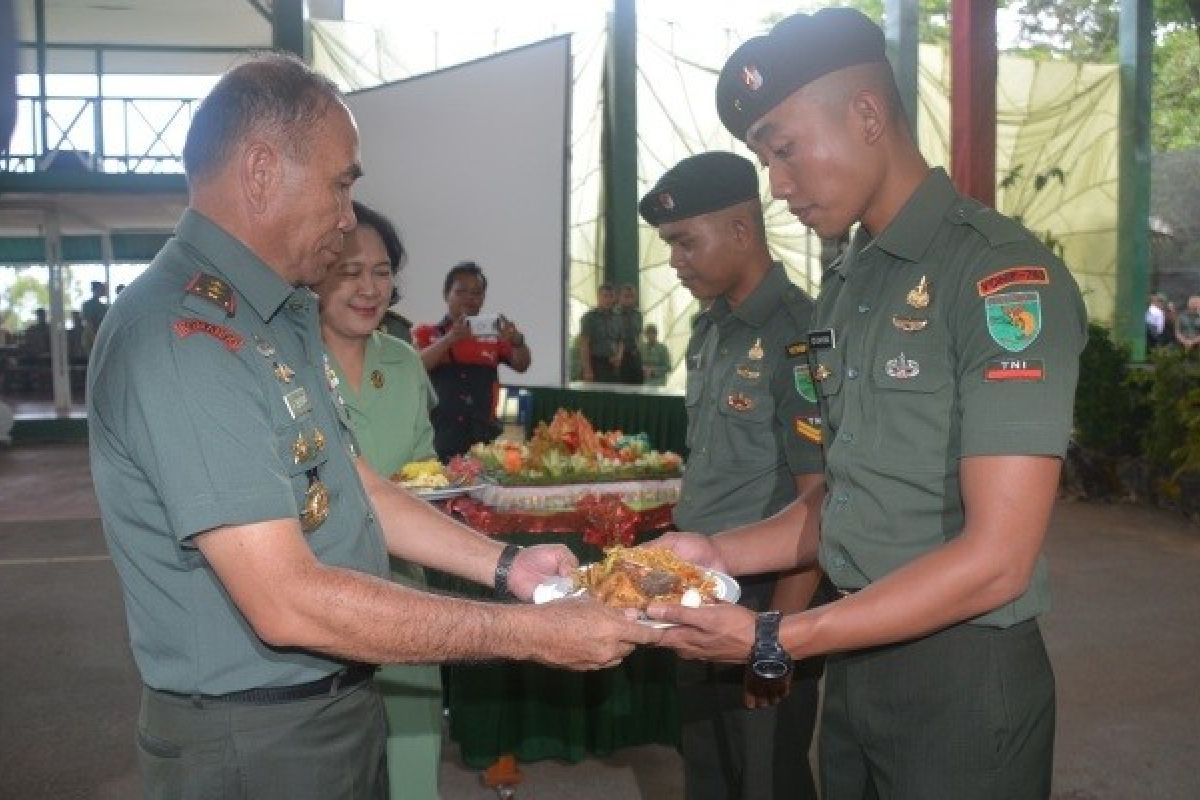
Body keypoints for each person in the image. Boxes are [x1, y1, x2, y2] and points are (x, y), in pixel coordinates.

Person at [86, 53, 657, 800]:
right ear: (261, 170)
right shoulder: (185, 339)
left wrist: (506, 567)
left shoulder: (276, 316)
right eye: (341, 182)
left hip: (333, 707)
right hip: (254, 742)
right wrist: (531, 635)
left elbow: (355, 486)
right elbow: (285, 599)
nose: (348, 215)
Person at [648, 10, 1087, 800]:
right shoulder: (849, 289)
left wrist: (777, 635)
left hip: (959, 674)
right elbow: (840, 504)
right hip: (855, 657)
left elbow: (999, 561)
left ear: (866, 115)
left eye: (784, 149)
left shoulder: (997, 277)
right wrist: (717, 553)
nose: (777, 184)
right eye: (763, 159)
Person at [640, 151, 829, 800]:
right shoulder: (711, 330)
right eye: (670, 244)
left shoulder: (798, 335)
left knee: (767, 776)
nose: (675, 260)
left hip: (767, 597)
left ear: (743, 231)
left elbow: (818, 506)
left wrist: (774, 640)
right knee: (709, 767)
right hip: (702, 587)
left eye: (685, 242)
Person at [312, 200, 442, 800]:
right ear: (317, 274)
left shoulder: (406, 364)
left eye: (383, 271)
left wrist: (441, 486)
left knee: (414, 756)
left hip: (405, 591)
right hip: (317, 599)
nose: (369, 288)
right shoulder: (286, 367)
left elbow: (424, 467)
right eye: (350, 271)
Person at [412, 261, 531, 460]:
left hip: (484, 433)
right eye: (461, 291)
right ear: (446, 294)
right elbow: (416, 366)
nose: (470, 298)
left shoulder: (494, 336)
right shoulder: (427, 332)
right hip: (440, 433)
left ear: (483, 298)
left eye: (476, 293)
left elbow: (522, 365)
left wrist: (518, 341)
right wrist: (449, 339)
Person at [578, 283, 622, 382]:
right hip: (595, 363)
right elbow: (584, 345)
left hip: (613, 365)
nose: (608, 300)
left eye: (611, 296)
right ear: (598, 297)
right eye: (605, 296)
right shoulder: (589, 318)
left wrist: (619, 356)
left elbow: (620, 341)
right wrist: (587, 369)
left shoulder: (618, 317)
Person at [616, 283, 644, 384]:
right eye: (626, 296)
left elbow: (638, 335)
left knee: (638, 385)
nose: (629, 299)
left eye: (632, 296)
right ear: (619, 297)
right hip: (618, 356)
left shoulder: (638, 315)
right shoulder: (614, 314)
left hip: (634, 355)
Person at [80, 280, 109, 351]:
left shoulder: (103, 307)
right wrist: (94, 338)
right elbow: (88, 323)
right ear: (96, 290)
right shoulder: (88, 305)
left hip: (99, 336)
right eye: (101, 289)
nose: (103, 291)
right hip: (91, 336)